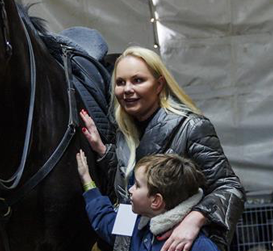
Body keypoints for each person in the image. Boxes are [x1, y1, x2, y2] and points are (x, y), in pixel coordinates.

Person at [80, 46, 245, 251]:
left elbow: (230, 188)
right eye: (120, 82)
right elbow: (129, 188)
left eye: (137, 80)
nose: (127, 89)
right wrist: (104, 152)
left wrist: (194, 220)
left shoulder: (192, 127)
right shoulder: (123, 132)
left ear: (159, 85)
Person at [76, 151, 220, 251]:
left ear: (156, 201)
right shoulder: (139, 222)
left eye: (137, 185)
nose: (130, 190)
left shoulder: (199, 246)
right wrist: (87, 179)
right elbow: (105, 221)